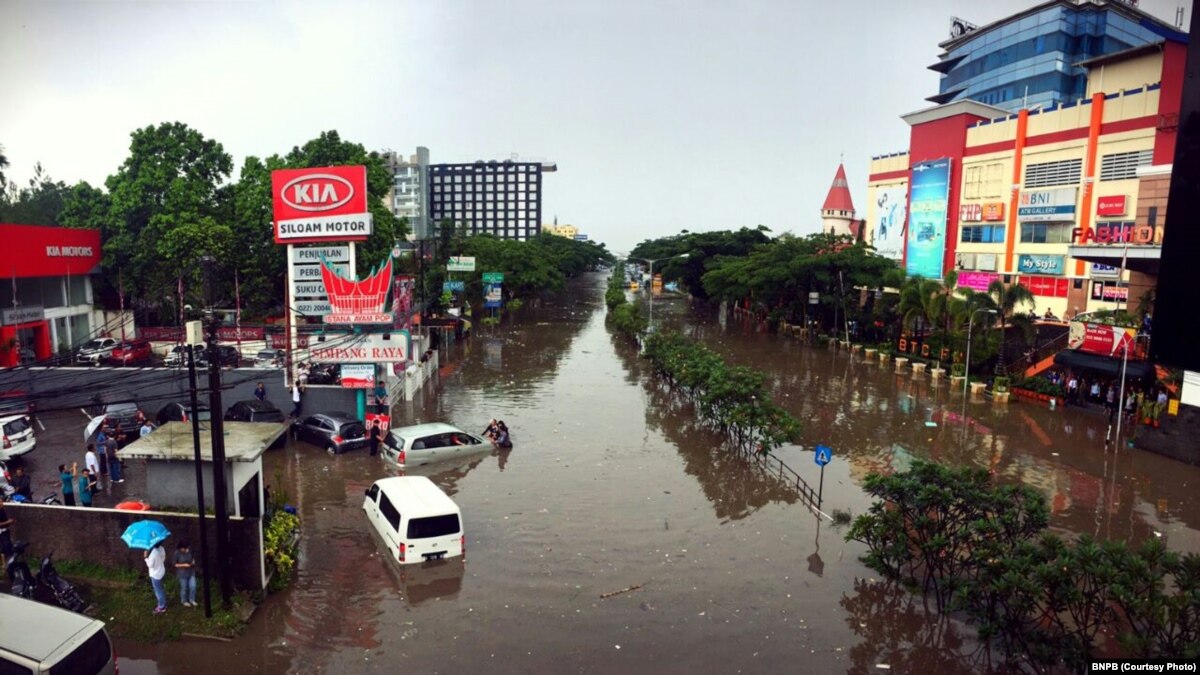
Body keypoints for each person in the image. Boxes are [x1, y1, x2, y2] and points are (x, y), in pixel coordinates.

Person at [145, 543, 167, 614]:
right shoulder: (161, 548)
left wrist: (145, 557)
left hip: (155, 575)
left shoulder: (153, 554)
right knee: (161, 588)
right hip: (161, 571)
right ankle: (163, 602)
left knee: (158, 591)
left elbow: (150, 565)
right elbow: (163, 558)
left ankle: (161, 607)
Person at [174, 541, 197, 607]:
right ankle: (184, 601)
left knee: (193, 586)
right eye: (185, 548)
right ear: (181, 548)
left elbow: (192, 558)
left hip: (191, 572)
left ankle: (192, 600)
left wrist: (193, 562)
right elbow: (175, 564)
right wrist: (184, 565)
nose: (186, 549)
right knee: (184, 588)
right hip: (182, 574)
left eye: (187, 548)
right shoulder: (177, 553)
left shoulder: (189, 551)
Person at [0, 493, 13, 558]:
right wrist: (8, 521)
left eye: (2, 501)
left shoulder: (2, 510)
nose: (2, 503)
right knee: (4, 547)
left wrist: (10, 522)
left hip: (6, 531)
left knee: (8, 547)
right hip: (2, 532)